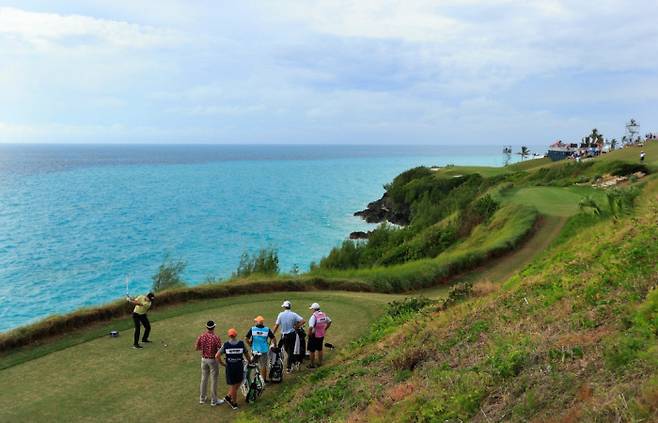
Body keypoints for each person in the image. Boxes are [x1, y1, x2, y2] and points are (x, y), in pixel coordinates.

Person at [216, 328, 251, 410]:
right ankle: (234, 403)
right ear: (236, 335)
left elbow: (217, 356)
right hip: (239, 366)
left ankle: (228, 397)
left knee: (235, 384)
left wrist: (223, 364)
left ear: (229, 336)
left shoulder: (226, 345)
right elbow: (246, 354)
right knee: (235, 384)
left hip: (230, 367)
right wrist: (250, 361)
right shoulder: (241, 344)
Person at [272, 300, 305, 373]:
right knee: (290, 350)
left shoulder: (280, 314)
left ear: (284, 307)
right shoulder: (294, 314)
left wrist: (272, 334)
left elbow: (276, 325)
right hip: (292, 334)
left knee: (288, 350)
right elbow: (303, 321)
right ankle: (295, 362)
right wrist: (296, 326)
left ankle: (289, 367)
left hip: (284, 336)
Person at [195, 320, 222, 406]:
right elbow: (219, 350)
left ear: (207, 327)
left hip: (203, 359)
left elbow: (196, 347)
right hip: (212, 360)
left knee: (204, 378)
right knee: (214, 380)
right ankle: (214, 401)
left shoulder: (201, 336)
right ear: (214, 327)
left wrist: (204, 350)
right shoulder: (216, 337)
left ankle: (202, 398)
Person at [245, 316, 275, 382]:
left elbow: (246, 339)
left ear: (257, 322)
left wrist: (250, 344)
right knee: (263, 366)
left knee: (255, 365)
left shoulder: (252, 329)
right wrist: (275, 345)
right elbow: (273, 338)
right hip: (264, 350)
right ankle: (264, 380)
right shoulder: (267, 329)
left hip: (255, 350)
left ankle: (256, 380)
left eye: (256, 321)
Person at [307, 303, 332, 368]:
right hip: (321, 335)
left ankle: (312, 364)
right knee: (319, 349)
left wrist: (309, 334)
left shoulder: (313, 316)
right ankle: (320, 363)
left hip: (314, 335)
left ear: (314, 309)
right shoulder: (323, 315)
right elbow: (329, 321)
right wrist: (325, 329)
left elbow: (310, 327)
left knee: (312, 351)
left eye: (312, 309)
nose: (311, 310)